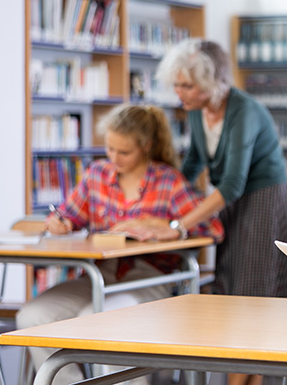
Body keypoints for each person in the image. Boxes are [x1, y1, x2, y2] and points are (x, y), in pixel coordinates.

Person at [19, 104, 224, 385]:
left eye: (124, 152)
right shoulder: (97, 175)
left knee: (98, 317)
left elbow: (213, 228)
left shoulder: (168, 182)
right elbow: (68, 216)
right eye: (110, 149)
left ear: (146, 146)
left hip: (150, 278)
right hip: (100, 274)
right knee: (33, 316)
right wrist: (58, 222)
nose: (114, 157)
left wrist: (171, 228)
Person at [150, 39, 287, 385]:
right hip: (229, 202)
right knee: (231, 287)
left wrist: (179, 225)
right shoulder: (196, 110)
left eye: (187, 85)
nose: (179, 92)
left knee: (251, 293)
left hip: (262, 197)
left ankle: (247, 379)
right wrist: (162, 201)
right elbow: (192, 163)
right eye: (176, 83)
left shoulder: (243, 111)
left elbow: (232, 183)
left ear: (213, 81)